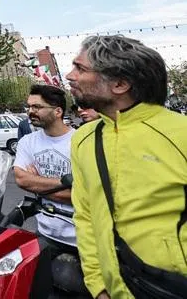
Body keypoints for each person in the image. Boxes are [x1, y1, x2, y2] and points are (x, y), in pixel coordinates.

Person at [67, 35, 187, 299]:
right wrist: (98, 285)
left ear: (120, 84)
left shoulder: (181, 133)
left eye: (80, 68)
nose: (69, 75)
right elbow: (85, 216)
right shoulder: (83, 139)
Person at [13, 84, 77, 299]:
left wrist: (39, 184)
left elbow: (88, 195)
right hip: (45, 235)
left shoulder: (80, 142)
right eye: (29, 106)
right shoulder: (27, 142)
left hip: (83, 238)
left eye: (37, 107)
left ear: (57, 111)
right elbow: (22, 179)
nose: (31, 111)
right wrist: (65, 182)